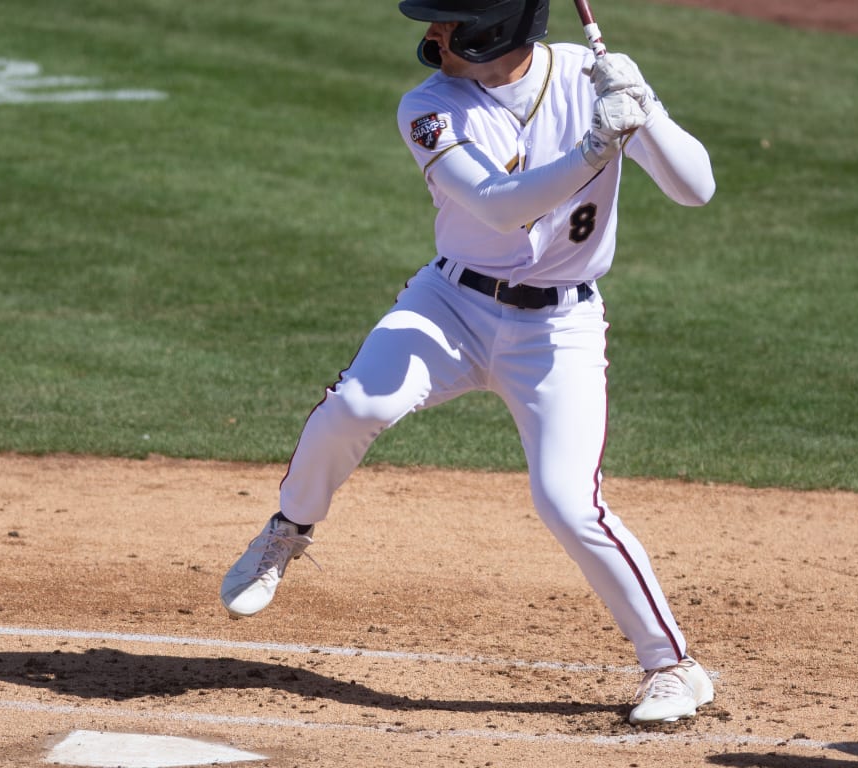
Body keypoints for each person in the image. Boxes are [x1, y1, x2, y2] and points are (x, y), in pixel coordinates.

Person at [217, 0, 717, 725]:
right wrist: (594, 149)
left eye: (446, 21)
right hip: (452, 305)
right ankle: (286, 533)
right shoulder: (428, 105)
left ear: (495, 27)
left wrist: (646, 116)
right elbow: (496, 205)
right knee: (358, 405)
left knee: (567, 502)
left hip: (559, 328)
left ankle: (673, 668)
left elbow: (695, 188)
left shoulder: (591, 81)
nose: (430, 35)